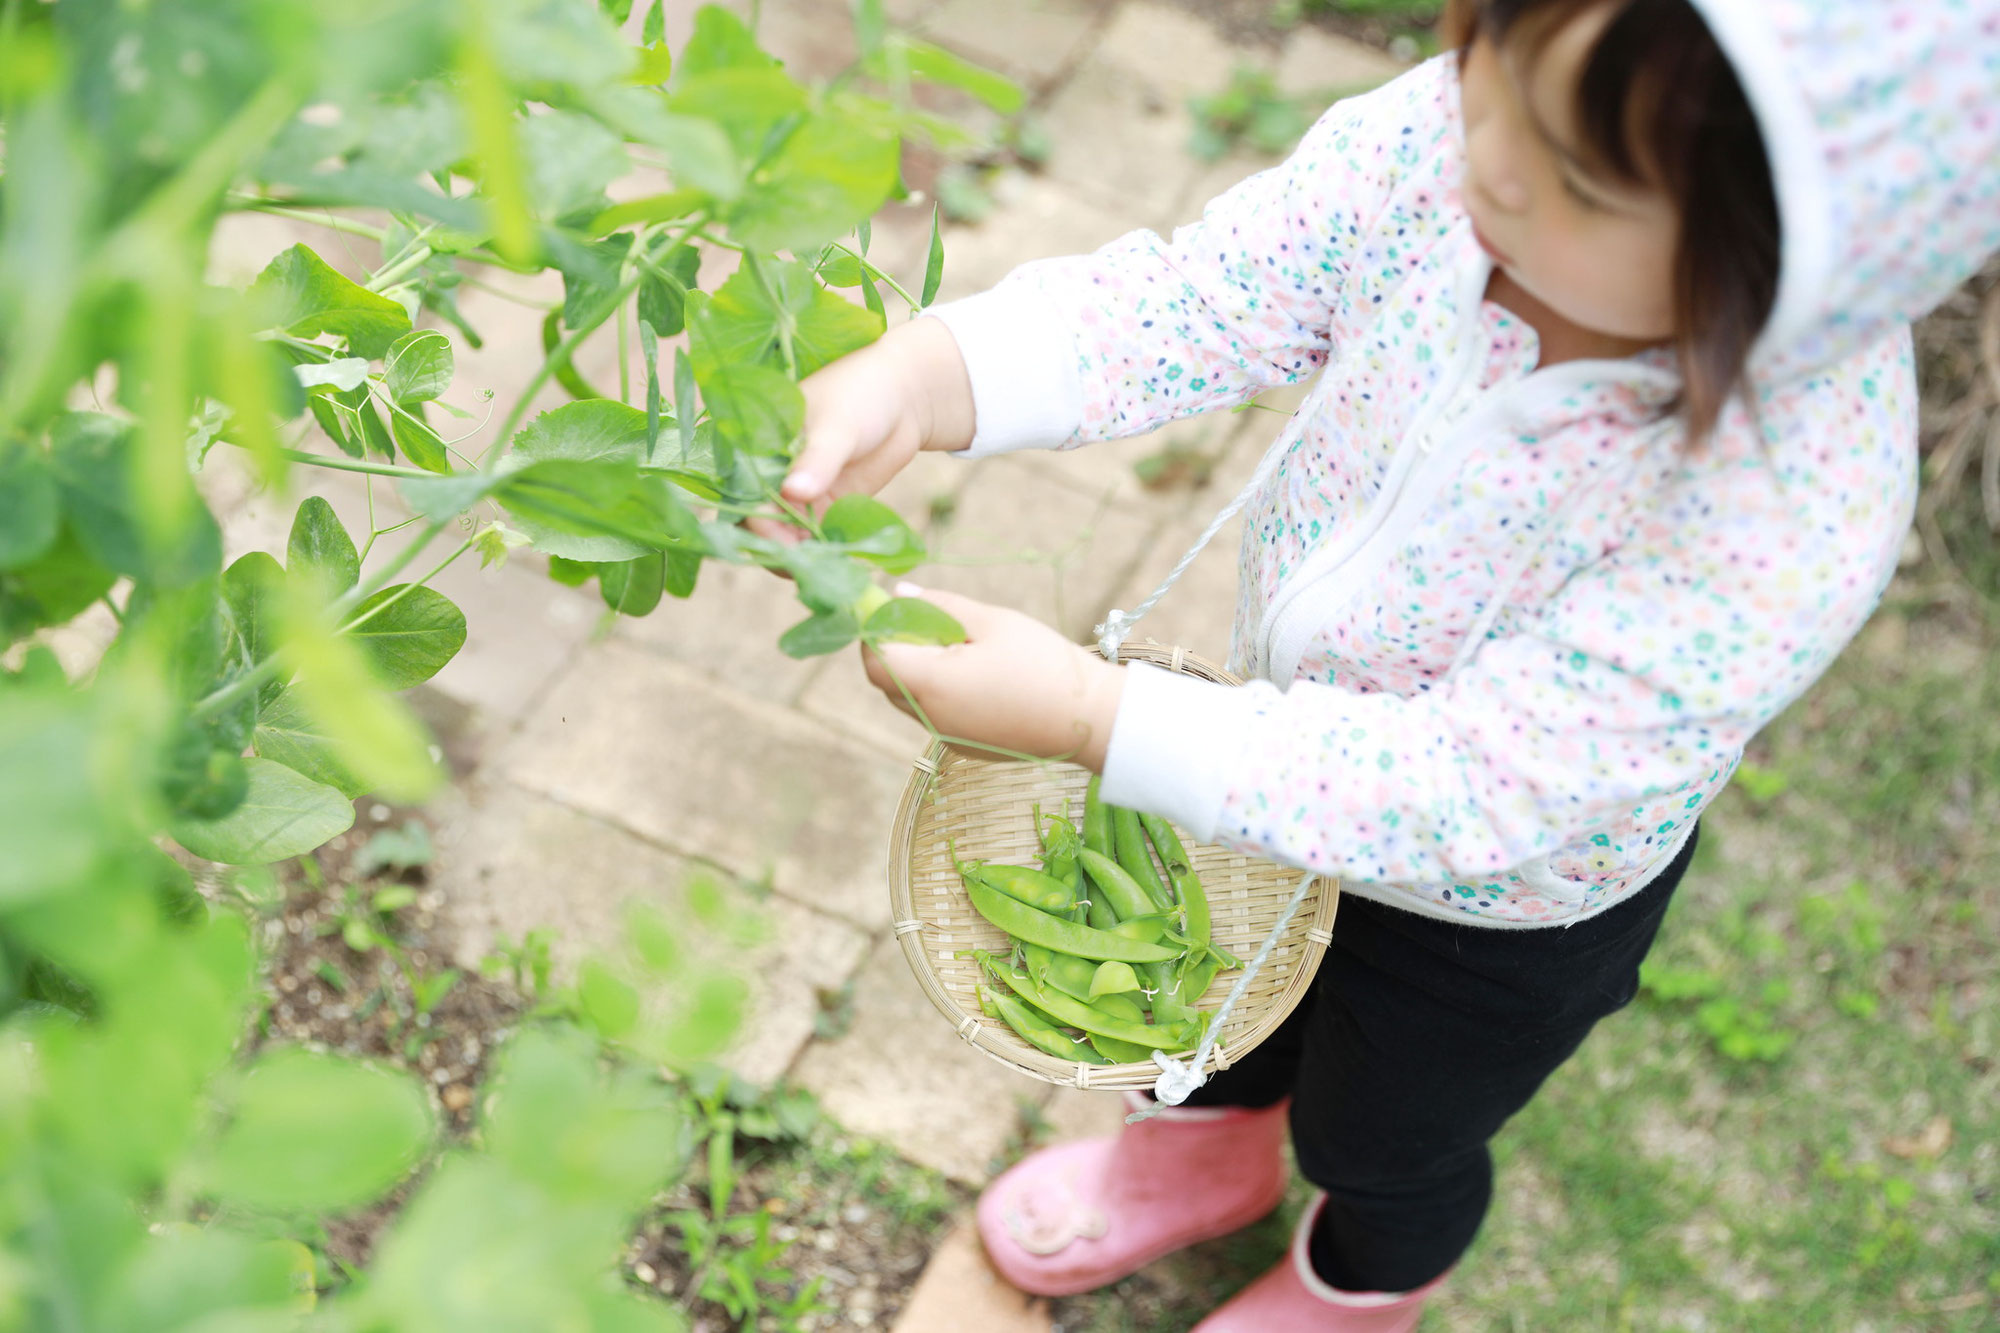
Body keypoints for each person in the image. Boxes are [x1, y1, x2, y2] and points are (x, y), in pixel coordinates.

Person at [767, 0, 2000, 1326]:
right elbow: (1208, 297)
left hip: (1499, 906)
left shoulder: (1782, 505)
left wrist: (1089, 715)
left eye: (1579, 177)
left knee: (1387, 1127)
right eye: (1492, 67)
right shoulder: (1451, 146)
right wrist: (940, 370)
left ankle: (1366, 1277)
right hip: (1262, 743)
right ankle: (1203, 1148)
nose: (1492, 160)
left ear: (1778, 277)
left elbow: (1477, 784)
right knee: (1206, 1001)